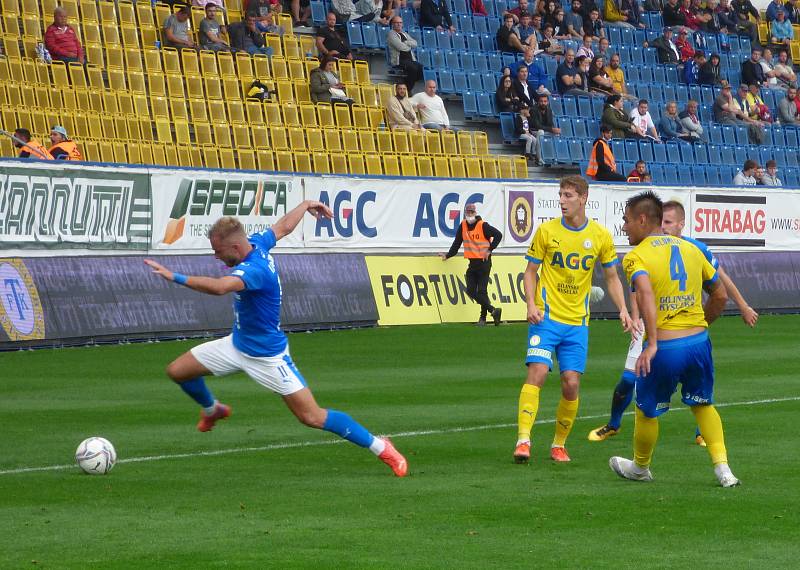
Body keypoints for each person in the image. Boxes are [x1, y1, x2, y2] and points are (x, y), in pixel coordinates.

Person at [143, 209, 408, 477]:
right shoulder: (257, 243)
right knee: (178, 371)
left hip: (268, 357)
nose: (216, 256)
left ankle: (381, 446)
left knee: (312, 417)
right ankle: (213, 409)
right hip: (236, 345)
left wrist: (174, 276)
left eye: (219, 251)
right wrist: (305, 204)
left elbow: (220, 287)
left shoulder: (255, 270)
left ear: (235, 246)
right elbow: (283, 226)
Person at [589, 199, 758, 445]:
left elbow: (721, 282)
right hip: (650, 323)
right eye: (663, 222)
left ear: (681, 224)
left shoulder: (695, 248)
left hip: (681, 327)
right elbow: (638, 291)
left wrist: (741, 307)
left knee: (694, 389)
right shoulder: (645, 251)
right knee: (628, 379)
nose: (666, 227)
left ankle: (698, 434)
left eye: (669, 222)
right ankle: (613, 424)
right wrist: (635, 317)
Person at [608, 192, 740, 488]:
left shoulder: (637, 256)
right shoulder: (691, 249)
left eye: (626, 220)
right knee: (703, 405)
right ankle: (724, 470)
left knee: (646, 409)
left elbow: (644, 293)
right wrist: (700, 325)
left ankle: (640, 467)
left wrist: (652, 342)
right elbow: (720, 295)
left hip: (664, 348)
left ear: (643, 220)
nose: (624, 227)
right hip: (697, 343)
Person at [514, 175, 633, 464]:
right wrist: (530, 303)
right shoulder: (546, 231)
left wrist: (623, 309)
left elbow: (612, 277)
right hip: (546, 317)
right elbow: (531, 272)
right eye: (560, 194)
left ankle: (558, 445)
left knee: (571, 383)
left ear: (583, 198)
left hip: (578, 322)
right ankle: (523, 440)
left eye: (568, 195)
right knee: (538, 373)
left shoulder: (601, 236)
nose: (562, 200)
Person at [439, 203, 503, 326]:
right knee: (470, 291)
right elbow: (457, 243)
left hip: (484, 263)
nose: (470, 214)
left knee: (482, 291)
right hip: (472, 263)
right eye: (468, 212)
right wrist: (447, 255)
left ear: (475, 212)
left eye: (472, 212)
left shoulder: (483, 225)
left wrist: (489, 250)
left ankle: (483, 318)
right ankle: (493, 310)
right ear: (465, 212)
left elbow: (498, 235)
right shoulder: (462, 225)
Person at [387, 16, 423, 93]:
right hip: (400, 60)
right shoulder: (391, 34)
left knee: (420, 68)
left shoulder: (404, 33)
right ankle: (407, 90)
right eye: (396, 23)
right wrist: (409, 46)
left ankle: (406, 83)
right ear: (393, 24)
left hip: (410, 59)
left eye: (400, 23)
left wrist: (406, 43)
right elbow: (400, 47)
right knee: (413, 69)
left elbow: (415, 43)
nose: (399, 24)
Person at [530, 93, 562, 162]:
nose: (543, 103)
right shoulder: (533, 110)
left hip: (545, 130)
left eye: (545, 101)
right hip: (534, 131)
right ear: (538, 102)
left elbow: (550, 124)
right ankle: (539, 158)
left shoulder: (549, 110)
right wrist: (551, 129)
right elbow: (537, 126)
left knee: (557, 134)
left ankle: (555, 157)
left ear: (547, 102)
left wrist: (554, 129)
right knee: (540, 132)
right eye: (541, 101)